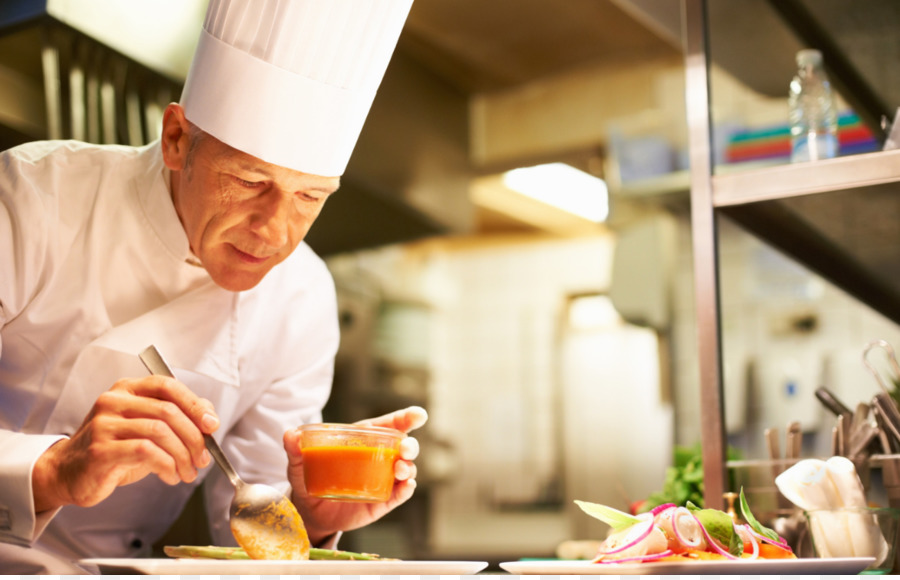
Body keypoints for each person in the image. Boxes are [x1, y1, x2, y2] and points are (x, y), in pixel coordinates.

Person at [0, 0, 423, 573]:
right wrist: (52, 468)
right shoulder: (30, 199)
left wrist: (312, 514)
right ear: (177, 138)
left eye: (310, 197)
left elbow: (251, 514)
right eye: (250, 181)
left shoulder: (302, 297)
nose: (276, 233)